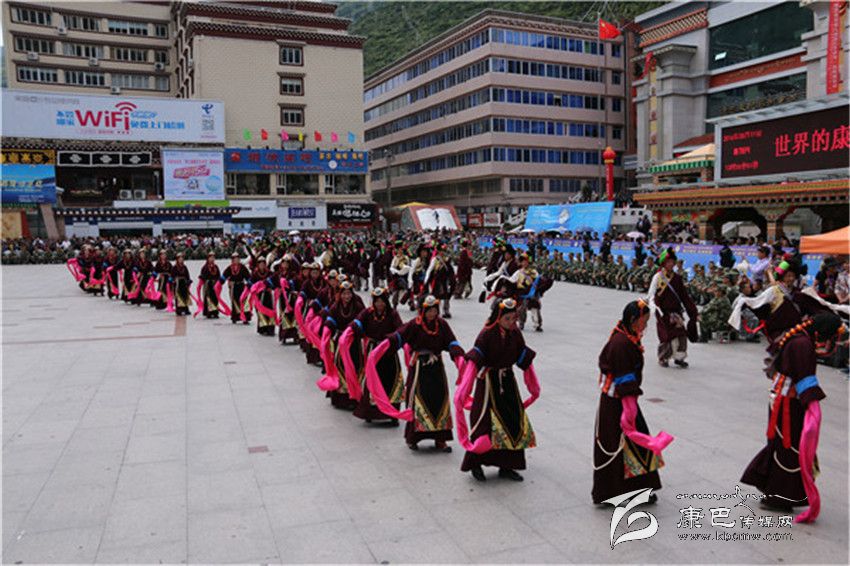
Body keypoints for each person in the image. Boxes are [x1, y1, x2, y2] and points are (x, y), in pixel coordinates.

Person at [728, 258, 844, 522]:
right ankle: (780, 497)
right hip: (788, 403)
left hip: (782, 397)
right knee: (788, 447)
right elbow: (805, 380)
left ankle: (769, 485)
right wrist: (813, 403)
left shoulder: (798, 335)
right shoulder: (802, 344)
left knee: (781, 444)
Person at [593, 299, 674, 504]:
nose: (645, 326)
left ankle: (636, 489)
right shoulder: (621, 344)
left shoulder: (625, 336)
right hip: (618, 402)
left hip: (624, 399)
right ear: (632, 319)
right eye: (643, 321)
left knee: (632, 444)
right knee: (620, 444)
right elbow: (624, 378)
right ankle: (619, 492)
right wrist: (629, 412)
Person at [365, 295, 465, 452]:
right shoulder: (414, 324)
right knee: (417, 401)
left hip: (437, 369)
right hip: (419, 368)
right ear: (422, 311)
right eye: (429, 311)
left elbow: (451, 341)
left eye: (434, 310)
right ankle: (413, 439)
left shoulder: (442, 324)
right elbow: (399, 336)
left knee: (440, 400)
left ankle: (441, 439)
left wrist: (458, 356)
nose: (432, 314)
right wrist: (384, 346)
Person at [457, 298, 540, 482]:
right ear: (498, 317)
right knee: (484, 423)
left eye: (513, 318)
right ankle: (475, 464)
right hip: (488, 382)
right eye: (507, 319)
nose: (511, 322)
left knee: (512, 421)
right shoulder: (486, 334)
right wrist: (464, 388)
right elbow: (475, 359)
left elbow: (523, 356)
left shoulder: (515, 333)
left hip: (507, 381)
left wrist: (533, 385)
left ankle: (507, 466)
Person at [344, 287, 404, 424]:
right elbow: (357, 322)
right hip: (373, 353)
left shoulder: (392, 314)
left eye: (382, 301)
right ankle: (370, 413)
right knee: (372, 380)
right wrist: (350, 330)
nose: (379, 304)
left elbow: (401, 329)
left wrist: (393, 340)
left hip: (388, 352)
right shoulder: (367, 313)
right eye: (377, 301)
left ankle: (392, 414)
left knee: (391, 381)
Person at [647, 248, 699, 368]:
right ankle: (663, 357)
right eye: (668, 262)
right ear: (663, 263)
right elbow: (651, 294)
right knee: (666, 336)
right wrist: (654, 307)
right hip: (663, 312)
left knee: (681, 334)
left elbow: (685, 297)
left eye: (672, 262)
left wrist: (693, 312)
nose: (671, 264)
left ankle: (679, 357)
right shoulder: (658, 277)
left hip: (676, 312)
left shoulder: (677, 278)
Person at [318, 280, 365, 410]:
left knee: (356, 366)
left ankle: (355, 395)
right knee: (340, 366)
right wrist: (327, 330)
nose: (346, 296)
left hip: (354, 342)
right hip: (340, 342)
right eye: (344, 294)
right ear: (340, 294)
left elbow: (363, 320)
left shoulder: (358, 306)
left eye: (349, 293)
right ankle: (342, 398)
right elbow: (330, 320)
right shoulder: (335, 306)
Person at [223, 252, 252, 325]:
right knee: (235, 302)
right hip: (233, 287)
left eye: (237, 259)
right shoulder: (230, 268)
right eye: (234, 259)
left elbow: (248, 277)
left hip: (242, 286)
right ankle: (236, 317)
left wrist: (250, 284)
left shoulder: (243, 267)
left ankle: (245, 318)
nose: (236, 260)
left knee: (244, 302)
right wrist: (220, 283)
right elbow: (224, 276)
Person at [251, 257, 277, 336]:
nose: (262, 265)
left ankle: (270, 328)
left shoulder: (270, 273)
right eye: (260, 264)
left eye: (263, 264)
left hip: (268, 295)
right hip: (259, 296)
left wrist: (271, 288)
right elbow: (251, 284)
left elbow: (275, 282)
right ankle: (263, 328)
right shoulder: (255, 274)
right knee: (261, 311)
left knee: (270, 310)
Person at [198, 252, 221, 319]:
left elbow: (218, 275)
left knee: (215, 298)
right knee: (208, 298)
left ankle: (215, 312)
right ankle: (209, 312)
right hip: (208, 285)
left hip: (215, 285)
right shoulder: (205, 267)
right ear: (208, 258)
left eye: (213, 257)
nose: (212, 259)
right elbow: (203, 276)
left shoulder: (216, 267)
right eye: (211, 257)